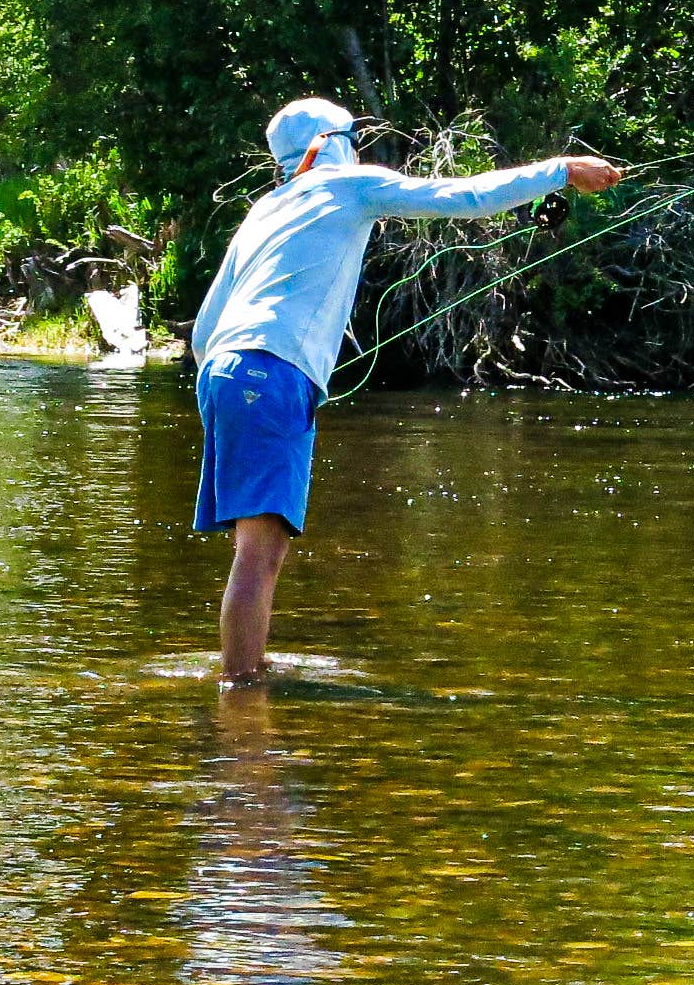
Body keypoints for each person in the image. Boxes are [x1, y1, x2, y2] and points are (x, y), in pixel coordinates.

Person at [188, 96, 623, 684]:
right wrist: (561, 170)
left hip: (225, 373)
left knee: (260, 549)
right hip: (272, 373)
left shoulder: (264, 210)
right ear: (329, 142)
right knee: (259, 552)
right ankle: (240, 699)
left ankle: (248, 674)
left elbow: (207, 327)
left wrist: (224, 397)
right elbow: (463, 197)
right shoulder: (347, 184)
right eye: (351, 135)